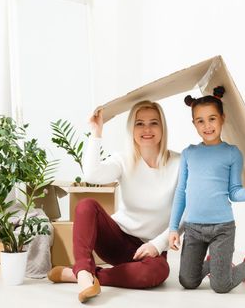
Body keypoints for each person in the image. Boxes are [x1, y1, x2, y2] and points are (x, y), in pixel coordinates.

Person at [48, 100, 181, 303]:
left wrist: (158, 244)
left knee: (158, 272)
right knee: (86, 206)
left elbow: (187, 213)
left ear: (163, 127)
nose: (147, 129)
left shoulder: (179, 164)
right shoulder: (123, 160)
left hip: (150, 250)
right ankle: (83, 272)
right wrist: (96, 132)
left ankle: (75, 275)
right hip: (117, 240)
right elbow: (92, 175)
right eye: (139, 123)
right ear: (131, 129)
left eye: (154, 123)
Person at [168, 86, 245, 294]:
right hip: (193, 229)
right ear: (194, 123)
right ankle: (216, 263)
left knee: (221, 286)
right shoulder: (188, 153)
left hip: (222, 229)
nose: (207, 126)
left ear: (222, 118)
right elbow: (181, 192)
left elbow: (235, 192)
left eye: (212, 118)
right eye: (200, 121)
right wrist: (173, 228)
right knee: (188, 281)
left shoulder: (232, 153)